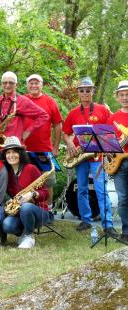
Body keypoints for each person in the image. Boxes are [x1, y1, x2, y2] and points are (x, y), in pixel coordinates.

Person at [63, 77, 118, 236]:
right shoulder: (73, 112)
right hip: (80, 156)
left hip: (97, 156)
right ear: (78, 93)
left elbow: (109, 131)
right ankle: (85, 220)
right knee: (81, 189)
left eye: (88, 90)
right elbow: (66, 134)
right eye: (82, 90)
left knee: (101, 190)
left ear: (93, 91)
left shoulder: (103, 109)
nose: (85, 93)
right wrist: (70, 144)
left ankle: (108, 224)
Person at [1, 136, 52, 249]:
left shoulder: (31, 168)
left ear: (21, 153)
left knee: (26, 207)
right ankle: (23, 233)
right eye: (8, 152)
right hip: (18, 212)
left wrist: (33, 194)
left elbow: (45, 194)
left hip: (38, 211)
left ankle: (29, 237)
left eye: (15, 152)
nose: (11, 155)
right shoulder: (6, 172)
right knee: (7, 225)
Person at [24, 74, 63, 207]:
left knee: (48, 181)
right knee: (26, 181)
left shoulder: (50, 101)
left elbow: (58, 125)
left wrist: (56, 147)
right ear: (27, 85)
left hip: (44, 149)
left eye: (37, 83)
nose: (34, 86)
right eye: (31, 83)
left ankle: (49, 209)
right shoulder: (22, 100)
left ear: (42, 85)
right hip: (24, 150)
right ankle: (29, 208)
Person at [0, 71, 49, 150]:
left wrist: (28, 131)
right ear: (1, 84)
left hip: (15, 147)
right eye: (5, 83)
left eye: (11, 83)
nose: (7, 85)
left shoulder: (23, 101)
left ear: (16, 85)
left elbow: (44, 116)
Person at [107, 81, 128, 242]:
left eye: (127, 94)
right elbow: (107, 143)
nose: (125, 97)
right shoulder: (112, 118)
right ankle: (126, 232)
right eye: (122, 95)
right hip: (119, 164)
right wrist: (109, 156)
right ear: (117, 97)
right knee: (123, 199)